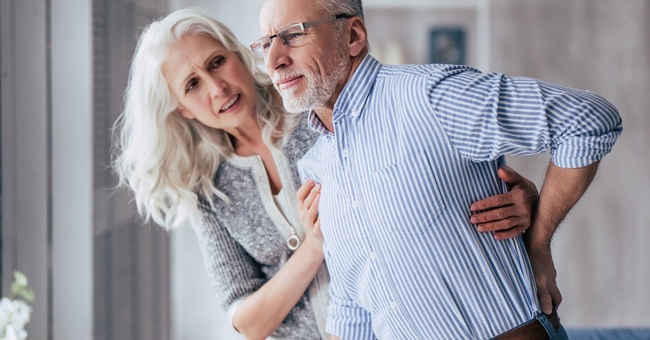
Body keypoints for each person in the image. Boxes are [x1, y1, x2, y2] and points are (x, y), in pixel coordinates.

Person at [112, 8, 540, 340]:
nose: (217, 87)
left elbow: (425, 177)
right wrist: (316, 244)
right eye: (192, 84)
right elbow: (248, 324)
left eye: (217, 62)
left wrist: (522, 201)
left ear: (239, 53)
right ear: (181, 109)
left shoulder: (314, 106)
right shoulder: (208, 191)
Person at [253, 0, 623, 339]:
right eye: (266, 44)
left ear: (353, 36)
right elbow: (353, 300)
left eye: (293, 35)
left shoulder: (431, 97)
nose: (274, 60)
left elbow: (587, 121)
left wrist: (539, 243)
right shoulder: (317, 164)